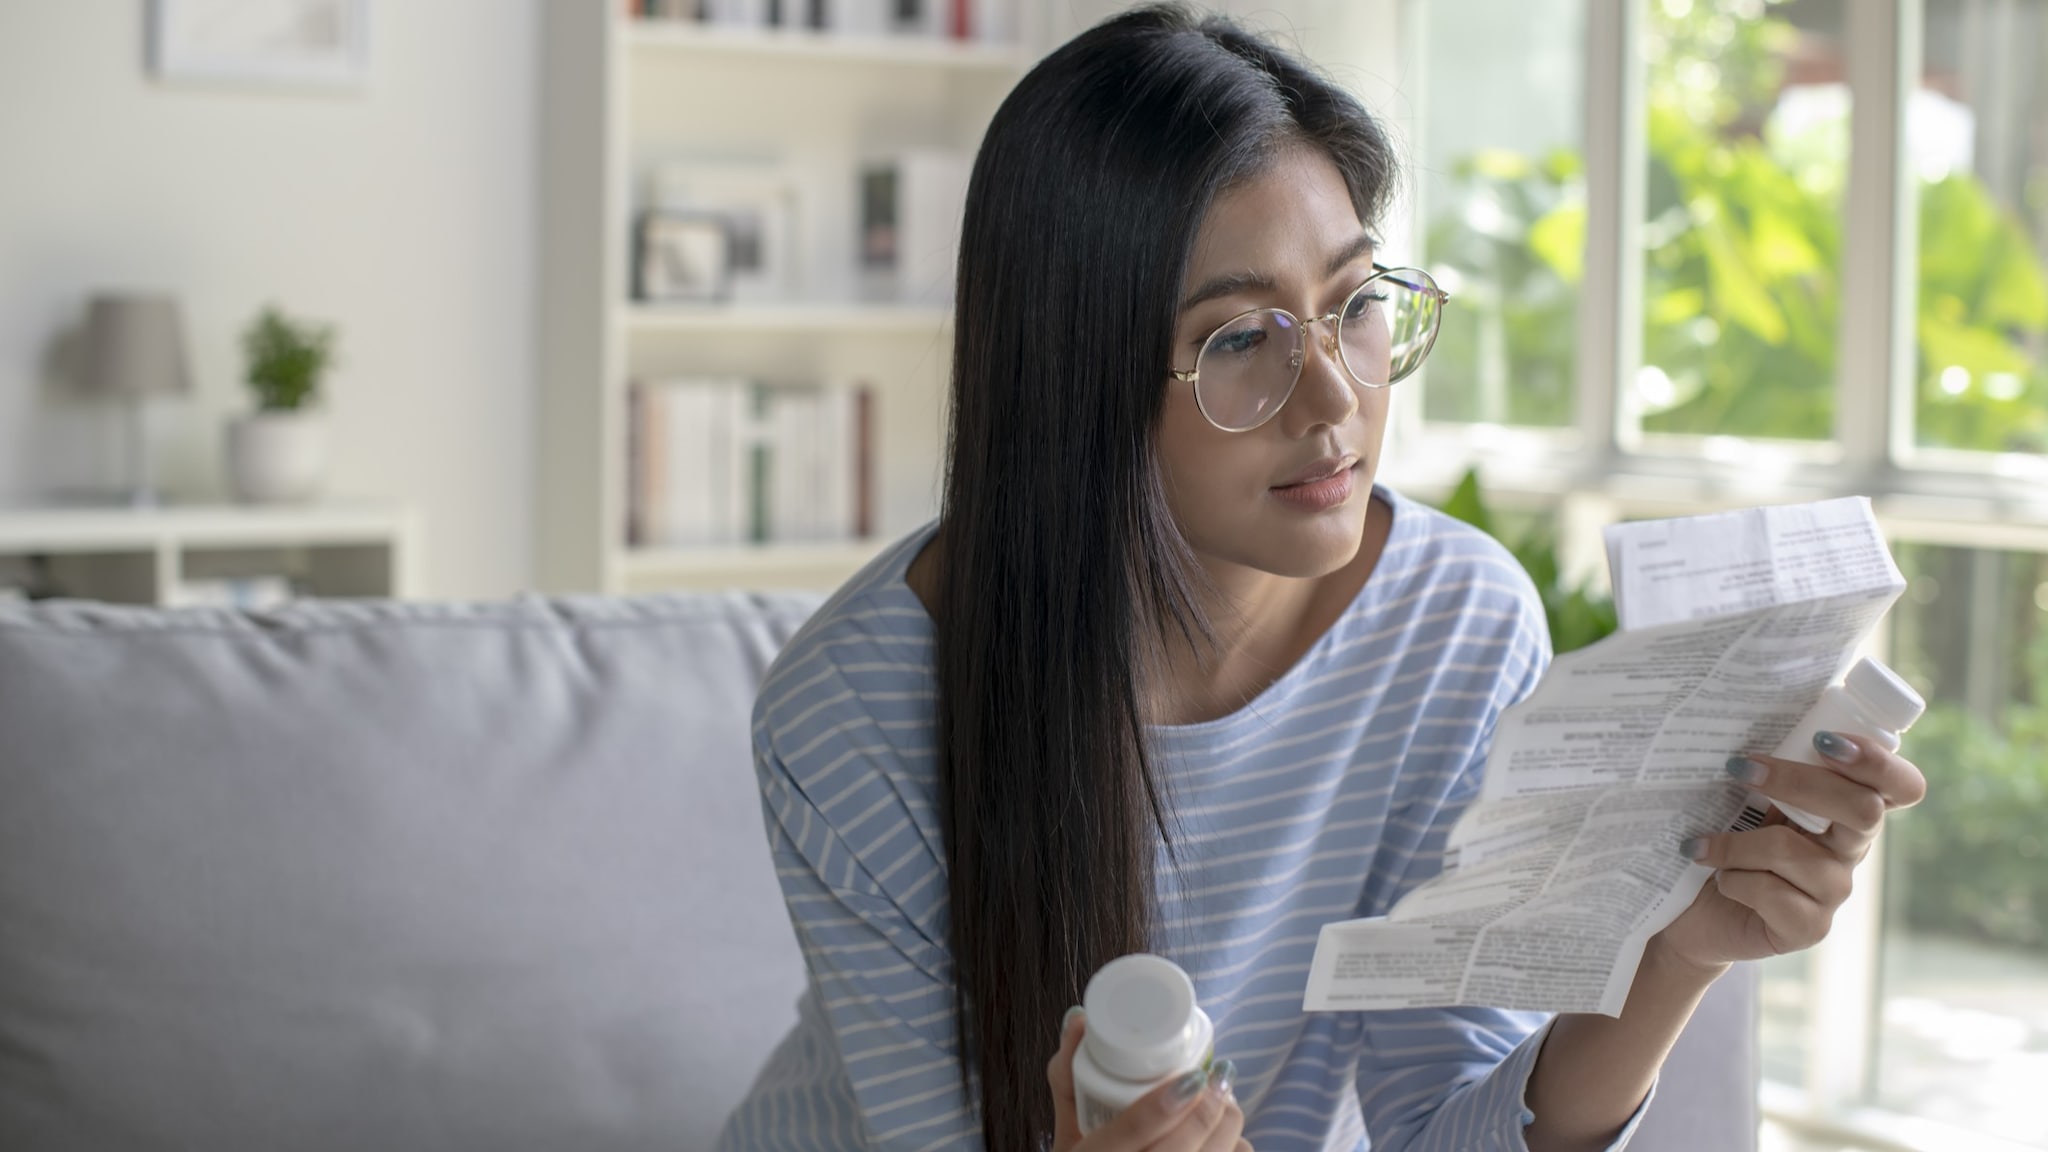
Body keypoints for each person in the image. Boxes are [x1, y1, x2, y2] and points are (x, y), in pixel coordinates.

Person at [715, 5, 1927, 1150]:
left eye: (1351, 304)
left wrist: (1679, 950)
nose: (1336, 396)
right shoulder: (852, 715)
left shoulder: (1451, 625)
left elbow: (1438, 1126)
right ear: (1072, 383)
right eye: (1238, 338)